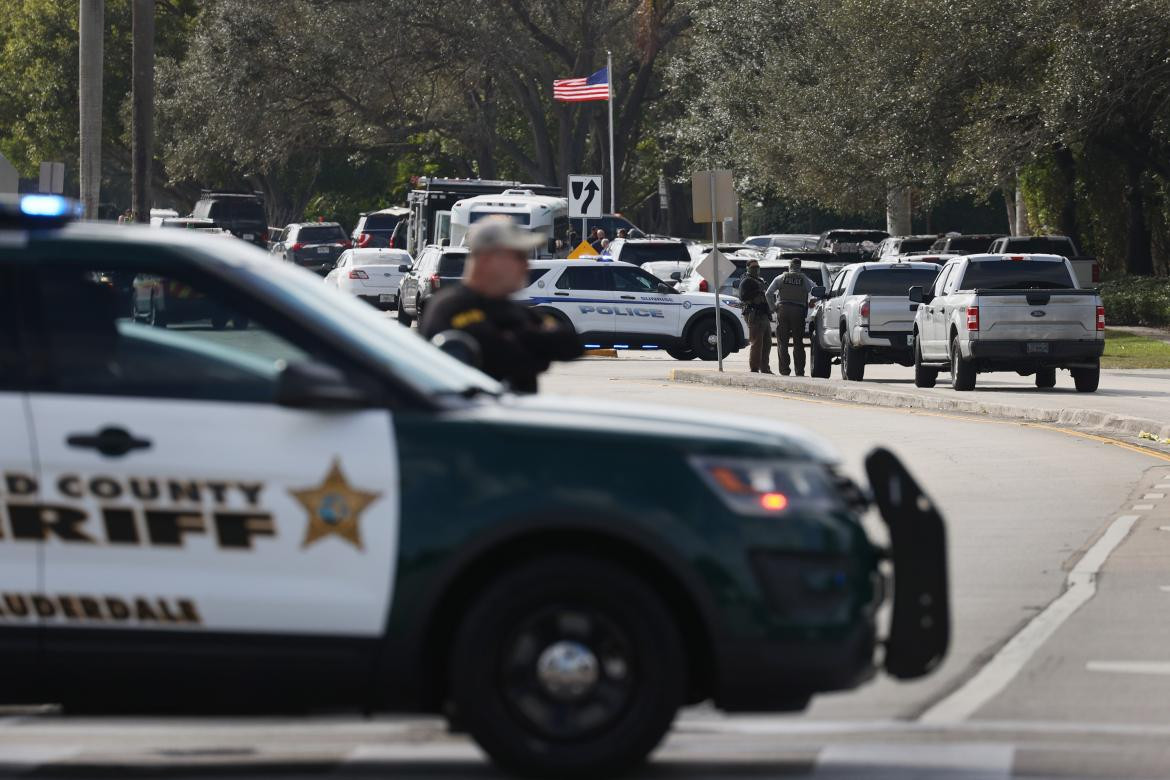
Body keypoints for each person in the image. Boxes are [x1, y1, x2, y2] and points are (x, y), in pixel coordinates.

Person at [420, 217, 581, 393]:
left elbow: (571, 344)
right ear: (487, 259)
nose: (526, 265)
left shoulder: (509, 308)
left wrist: (516, 335)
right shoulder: (450, 307)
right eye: (518, 256)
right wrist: (536, 339)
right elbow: (510, 359)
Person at [765, 257, 815, 376]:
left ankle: (784, 370)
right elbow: (815, 291)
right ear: (799, 267)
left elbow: (768, 293)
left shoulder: (781, 277)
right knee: (798, 343)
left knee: (782, 343)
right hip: (798, 312)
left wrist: (773, 308)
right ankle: (799, 371)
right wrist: (812, 301)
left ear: (790, 266)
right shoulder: (804, 279)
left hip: (782, 310)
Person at [737, 259, 773, 373]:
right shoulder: (746, 281)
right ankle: (754, 368)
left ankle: (765, 368)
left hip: (764, 314)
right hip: (754, 314)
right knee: (757, 343)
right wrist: (758, 292)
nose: (755, 269)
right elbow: (742, 297)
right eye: (753, 267)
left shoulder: (760, 280)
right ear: (747, 268)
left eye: (757, 267)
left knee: (767, 343)